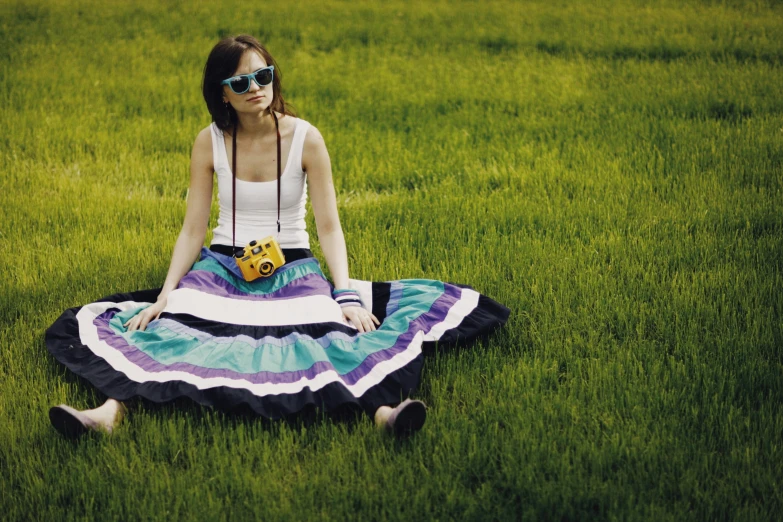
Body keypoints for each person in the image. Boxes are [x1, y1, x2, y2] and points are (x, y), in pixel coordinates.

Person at [45, 35, 510, 439]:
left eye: (263, 76)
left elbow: (328, 225)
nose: (256, 89)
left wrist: (344, 294)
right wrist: (167, 292)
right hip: (222, 265)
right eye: (241, 82)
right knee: (169, 328)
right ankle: (107, 414)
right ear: (222, 93)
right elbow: (193, 227)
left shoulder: (307, 138)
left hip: (293, 265)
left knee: (329, 335)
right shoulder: (208, 141)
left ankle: (384, 414)